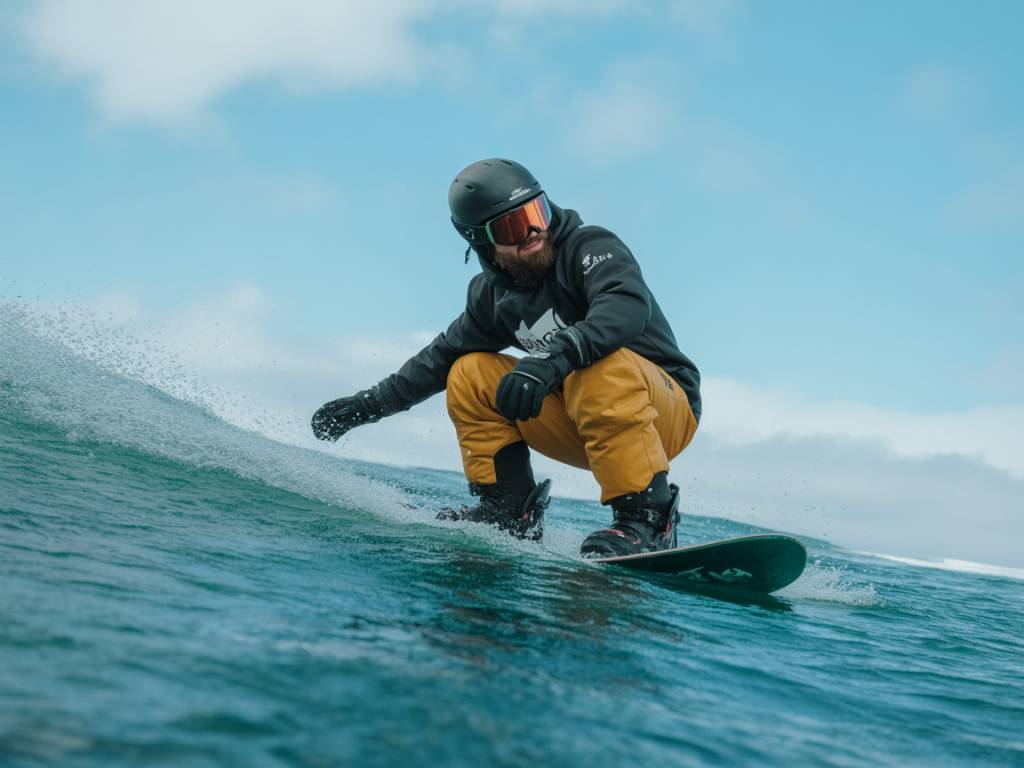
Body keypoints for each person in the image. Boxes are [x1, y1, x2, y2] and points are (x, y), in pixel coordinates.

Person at [311, 158, 701, 557]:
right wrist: (369, 405)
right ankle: (509, 510)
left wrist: (555, 356)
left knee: (597, 365)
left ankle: (648, 520)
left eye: (537, 212)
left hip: (663, 414)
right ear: (482, 242)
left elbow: (625, 305)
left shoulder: (591, 248)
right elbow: (440, 357)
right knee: (468, 373)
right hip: (586, 420)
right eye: (513, 226)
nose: (533, 230)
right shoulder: (492, 297)